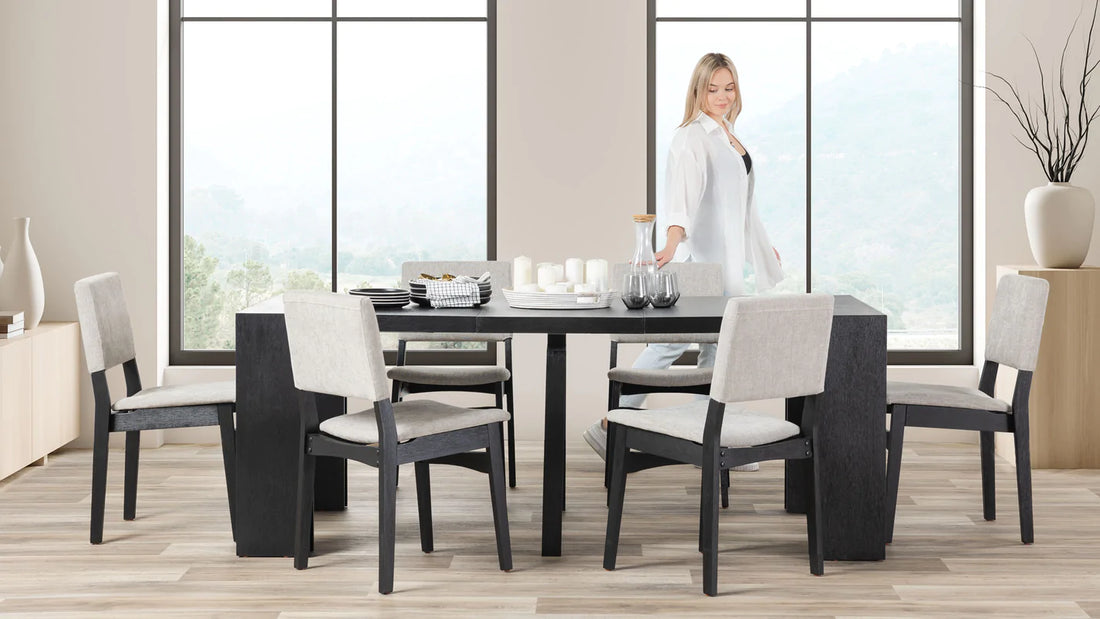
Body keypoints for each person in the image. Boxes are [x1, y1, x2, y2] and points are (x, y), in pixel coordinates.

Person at [584, 52, 785, 467]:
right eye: (713, 88)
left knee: (718, 351)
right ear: (698, 90)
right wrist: (672, 242)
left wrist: (760, 247)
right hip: (704, 265)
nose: (722, 96)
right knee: (674, 344)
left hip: (728, 264)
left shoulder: (728, 133)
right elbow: (684, 201)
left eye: (729, 87)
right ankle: (611, 426)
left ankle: (711, 440)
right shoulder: (692, 137)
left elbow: (738, 207)